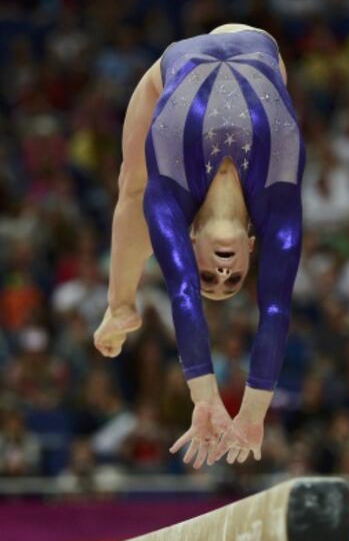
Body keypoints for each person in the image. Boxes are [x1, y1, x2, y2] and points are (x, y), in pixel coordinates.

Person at [94, 23, 305, 469]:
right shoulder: (278, 201)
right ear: (252, 245)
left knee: (132, 188)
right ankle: (119, 309)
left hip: (174, 66)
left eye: (209, 276)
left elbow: (182, 295)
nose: (223, 271)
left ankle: (119, 306)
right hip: (259, 43)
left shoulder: (170, 196)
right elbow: (275, 310)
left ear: (190, 244)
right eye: (233, 279)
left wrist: (205, 398)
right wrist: (252, 415)